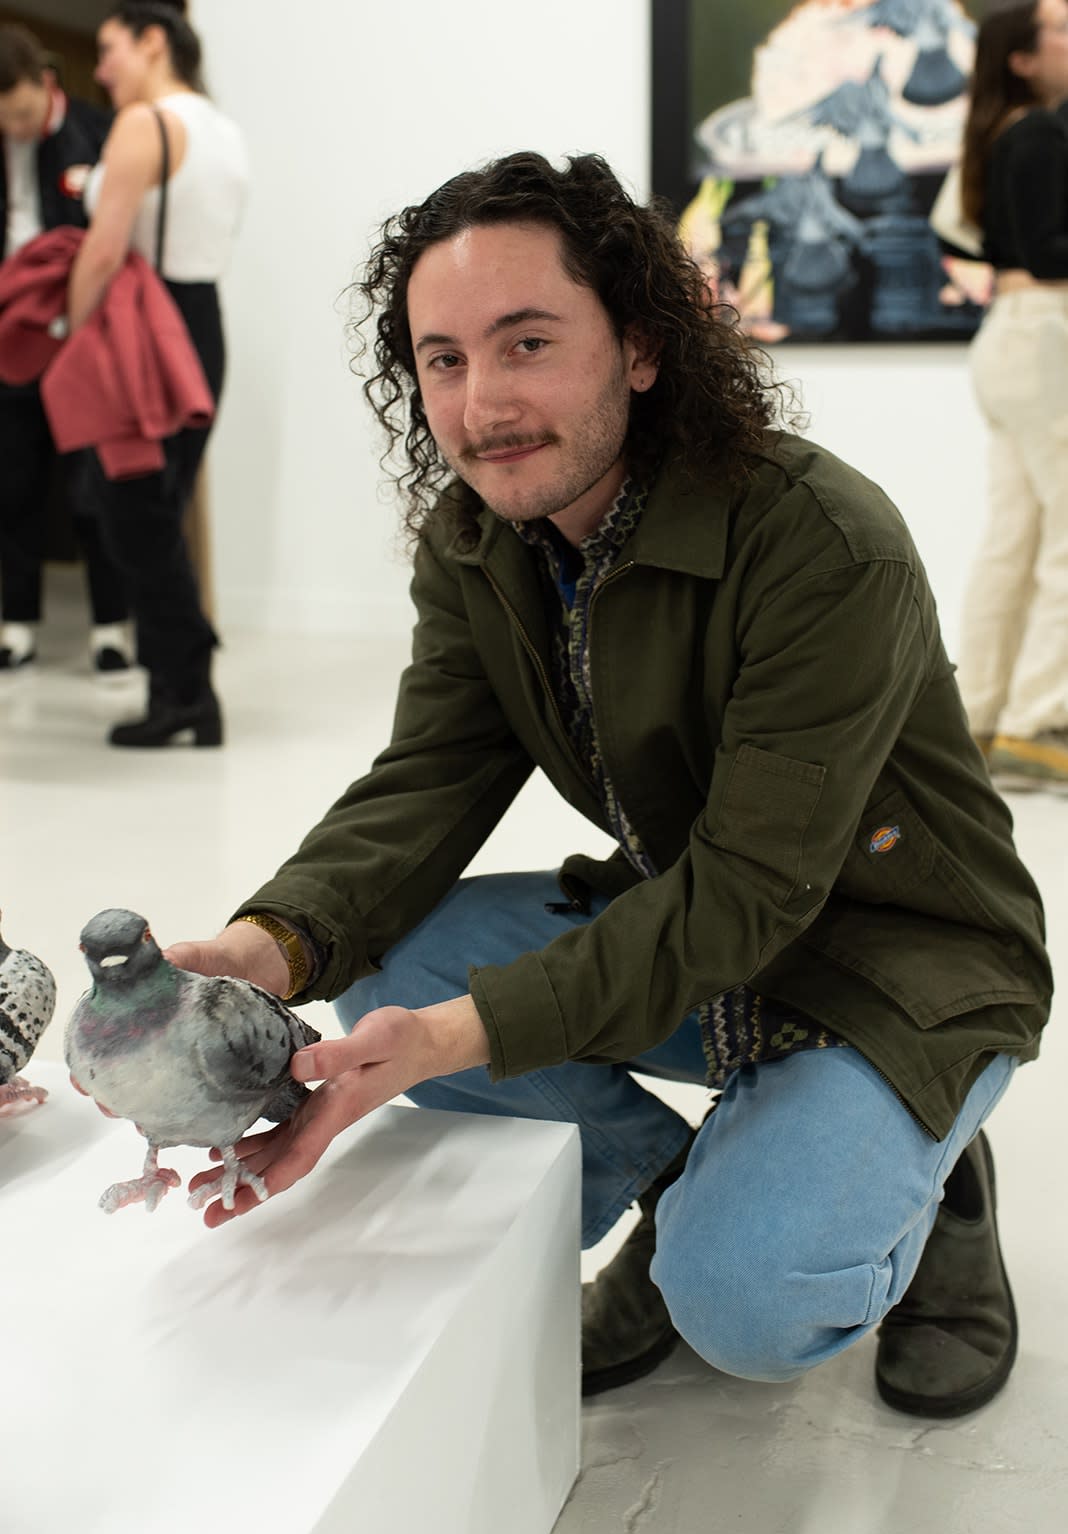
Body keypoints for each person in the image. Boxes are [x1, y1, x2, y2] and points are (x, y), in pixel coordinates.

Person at [172, 151, 1051, 1421]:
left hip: (900, 961)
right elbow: (427, 780)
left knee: (747, 1305)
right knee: (381, 958)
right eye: (445, 359)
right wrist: (266, 943)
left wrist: (462, 1040)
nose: (484, 403)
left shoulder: (822, 541)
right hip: (697, 927)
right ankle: (680, 1175)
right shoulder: (477, 539)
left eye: (529, 341)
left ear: (640, 345)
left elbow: (749, 889)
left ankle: (941, 1175)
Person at [72, 0, 247, 746]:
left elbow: (106, 248)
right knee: (153, 507)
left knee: (129, 511)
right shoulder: (223, 128)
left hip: (145, 326)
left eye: (111, 49)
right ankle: (180, 686)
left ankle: (187, 693)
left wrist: (67, 335)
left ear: (152, 42)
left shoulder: (146, 123)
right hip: (200, 325)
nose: (102, 68)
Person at [955, 0, 1068, 789]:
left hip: (1015, 336)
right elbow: (1046, 249)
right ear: (1022, 59)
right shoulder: (1040, 135)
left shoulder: (1004, 135)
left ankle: (984, 721)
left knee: (1016, 540)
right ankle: (1039, 725)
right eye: (1061, 28)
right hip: (1046, 333)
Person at [0, 22, 130, 676]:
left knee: (91, 489)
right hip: (11, 340)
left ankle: (111, 627)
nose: (15, 128)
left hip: (81, 337)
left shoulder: (97, 133)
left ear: (44, 83)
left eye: (21, 112)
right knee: (13, 484)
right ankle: (17, 623)